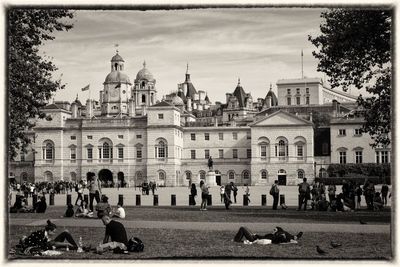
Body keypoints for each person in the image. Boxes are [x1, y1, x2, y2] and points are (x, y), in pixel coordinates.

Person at [233, 226, 303, 244]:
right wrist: (297, 236)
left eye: (274, 230)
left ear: (277, 231)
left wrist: (256, 235)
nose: (273, 230)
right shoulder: (282, 234)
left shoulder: (273, 236)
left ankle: (236, 240)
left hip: (254, 239)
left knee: (243, 228)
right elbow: (293, 237)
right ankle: (237, 239)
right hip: (256, 237)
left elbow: (262, 238)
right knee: (245, 228)